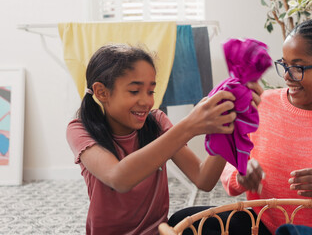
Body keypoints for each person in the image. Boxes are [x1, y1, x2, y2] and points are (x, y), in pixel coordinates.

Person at [169, 16, 312, 234]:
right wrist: (240, 175)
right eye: (284, 65)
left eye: (298, 67)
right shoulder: (261, 104)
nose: (287, 76)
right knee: (182, 221)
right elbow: (228, 164)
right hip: (261, 225)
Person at [66, 43, 262, 235]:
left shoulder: (156, 121)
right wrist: (189, 126)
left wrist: (230, 123)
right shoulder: (80, 129)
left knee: (190, 219)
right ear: (102, 92)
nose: (146, 101)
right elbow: (119, 178)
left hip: (160, 231)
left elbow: (204, 179)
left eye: (151, 91)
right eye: (134, 91)